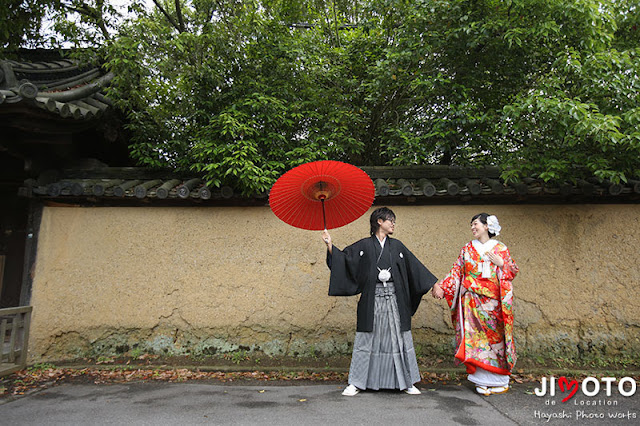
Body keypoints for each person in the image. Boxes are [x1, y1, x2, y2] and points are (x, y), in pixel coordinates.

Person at [322, 207, 438, 396]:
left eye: (393, 221)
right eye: (390, 220)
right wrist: (330, 245)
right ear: (379, 222)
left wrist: (433, 284)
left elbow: (414, 267)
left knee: (399, 339)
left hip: (395, 299)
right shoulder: (365, 245)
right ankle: (357, 382)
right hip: (372, 298)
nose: (393, 224)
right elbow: (345, 260)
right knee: (367, 339)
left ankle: (407, 381)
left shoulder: (398, 246)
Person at [431, 213, 518, 396]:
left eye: (476, 224)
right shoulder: (467, 249)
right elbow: (457, 271)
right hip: (472, 302)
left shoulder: (501, 248)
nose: (473, 227)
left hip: (494, 303)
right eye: (471, 224)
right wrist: (441, 286)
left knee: (495, 340)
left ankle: (499, 379)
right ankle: (481, 380)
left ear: (487, 226)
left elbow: (512, 270)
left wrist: (502, 263)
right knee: (475, 340)